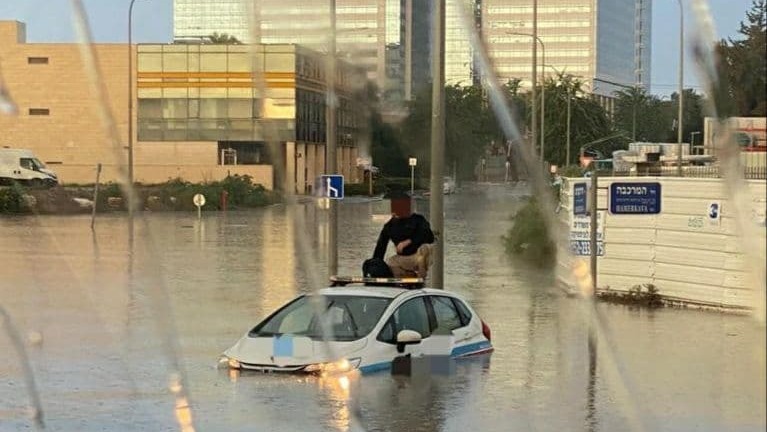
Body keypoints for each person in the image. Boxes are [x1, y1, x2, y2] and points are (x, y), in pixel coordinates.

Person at [372, 192, 435, 278]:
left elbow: (429, 237)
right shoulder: (389, 226)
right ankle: (406, 277)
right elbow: (380, 247)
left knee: (425, 248)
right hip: (404, 259)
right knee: (391, 262)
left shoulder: (418, 220)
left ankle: (421, 274)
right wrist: (374, 265)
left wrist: (408, 242)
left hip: (420, 255)